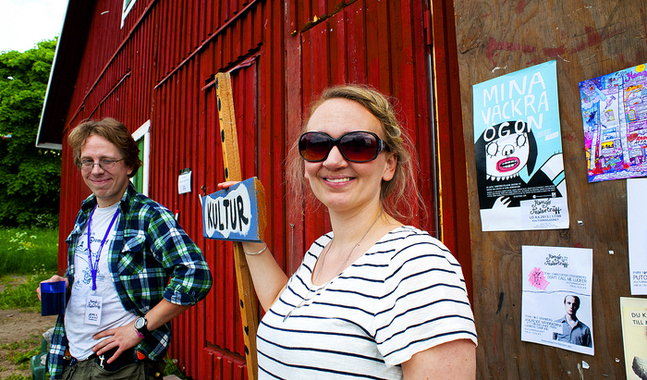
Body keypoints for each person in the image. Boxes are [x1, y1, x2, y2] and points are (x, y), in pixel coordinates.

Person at [220, 85, 477, 379]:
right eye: (316, 145)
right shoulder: (322, 248)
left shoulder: (417, 263)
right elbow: (288, 310)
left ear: (389, 164)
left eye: (357, 145)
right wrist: (250, 237)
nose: (332, 160)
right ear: (306, 165)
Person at [37, 118, 212, 380]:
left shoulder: (149, 216)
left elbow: (196, 276)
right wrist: (66, 284)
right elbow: (100, 274)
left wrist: (139, 328)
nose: (96, 170)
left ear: (129, 165)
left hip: (117, 366)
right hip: (68, 356)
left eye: (107, 160)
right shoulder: (86, 213)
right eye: (88, 161)